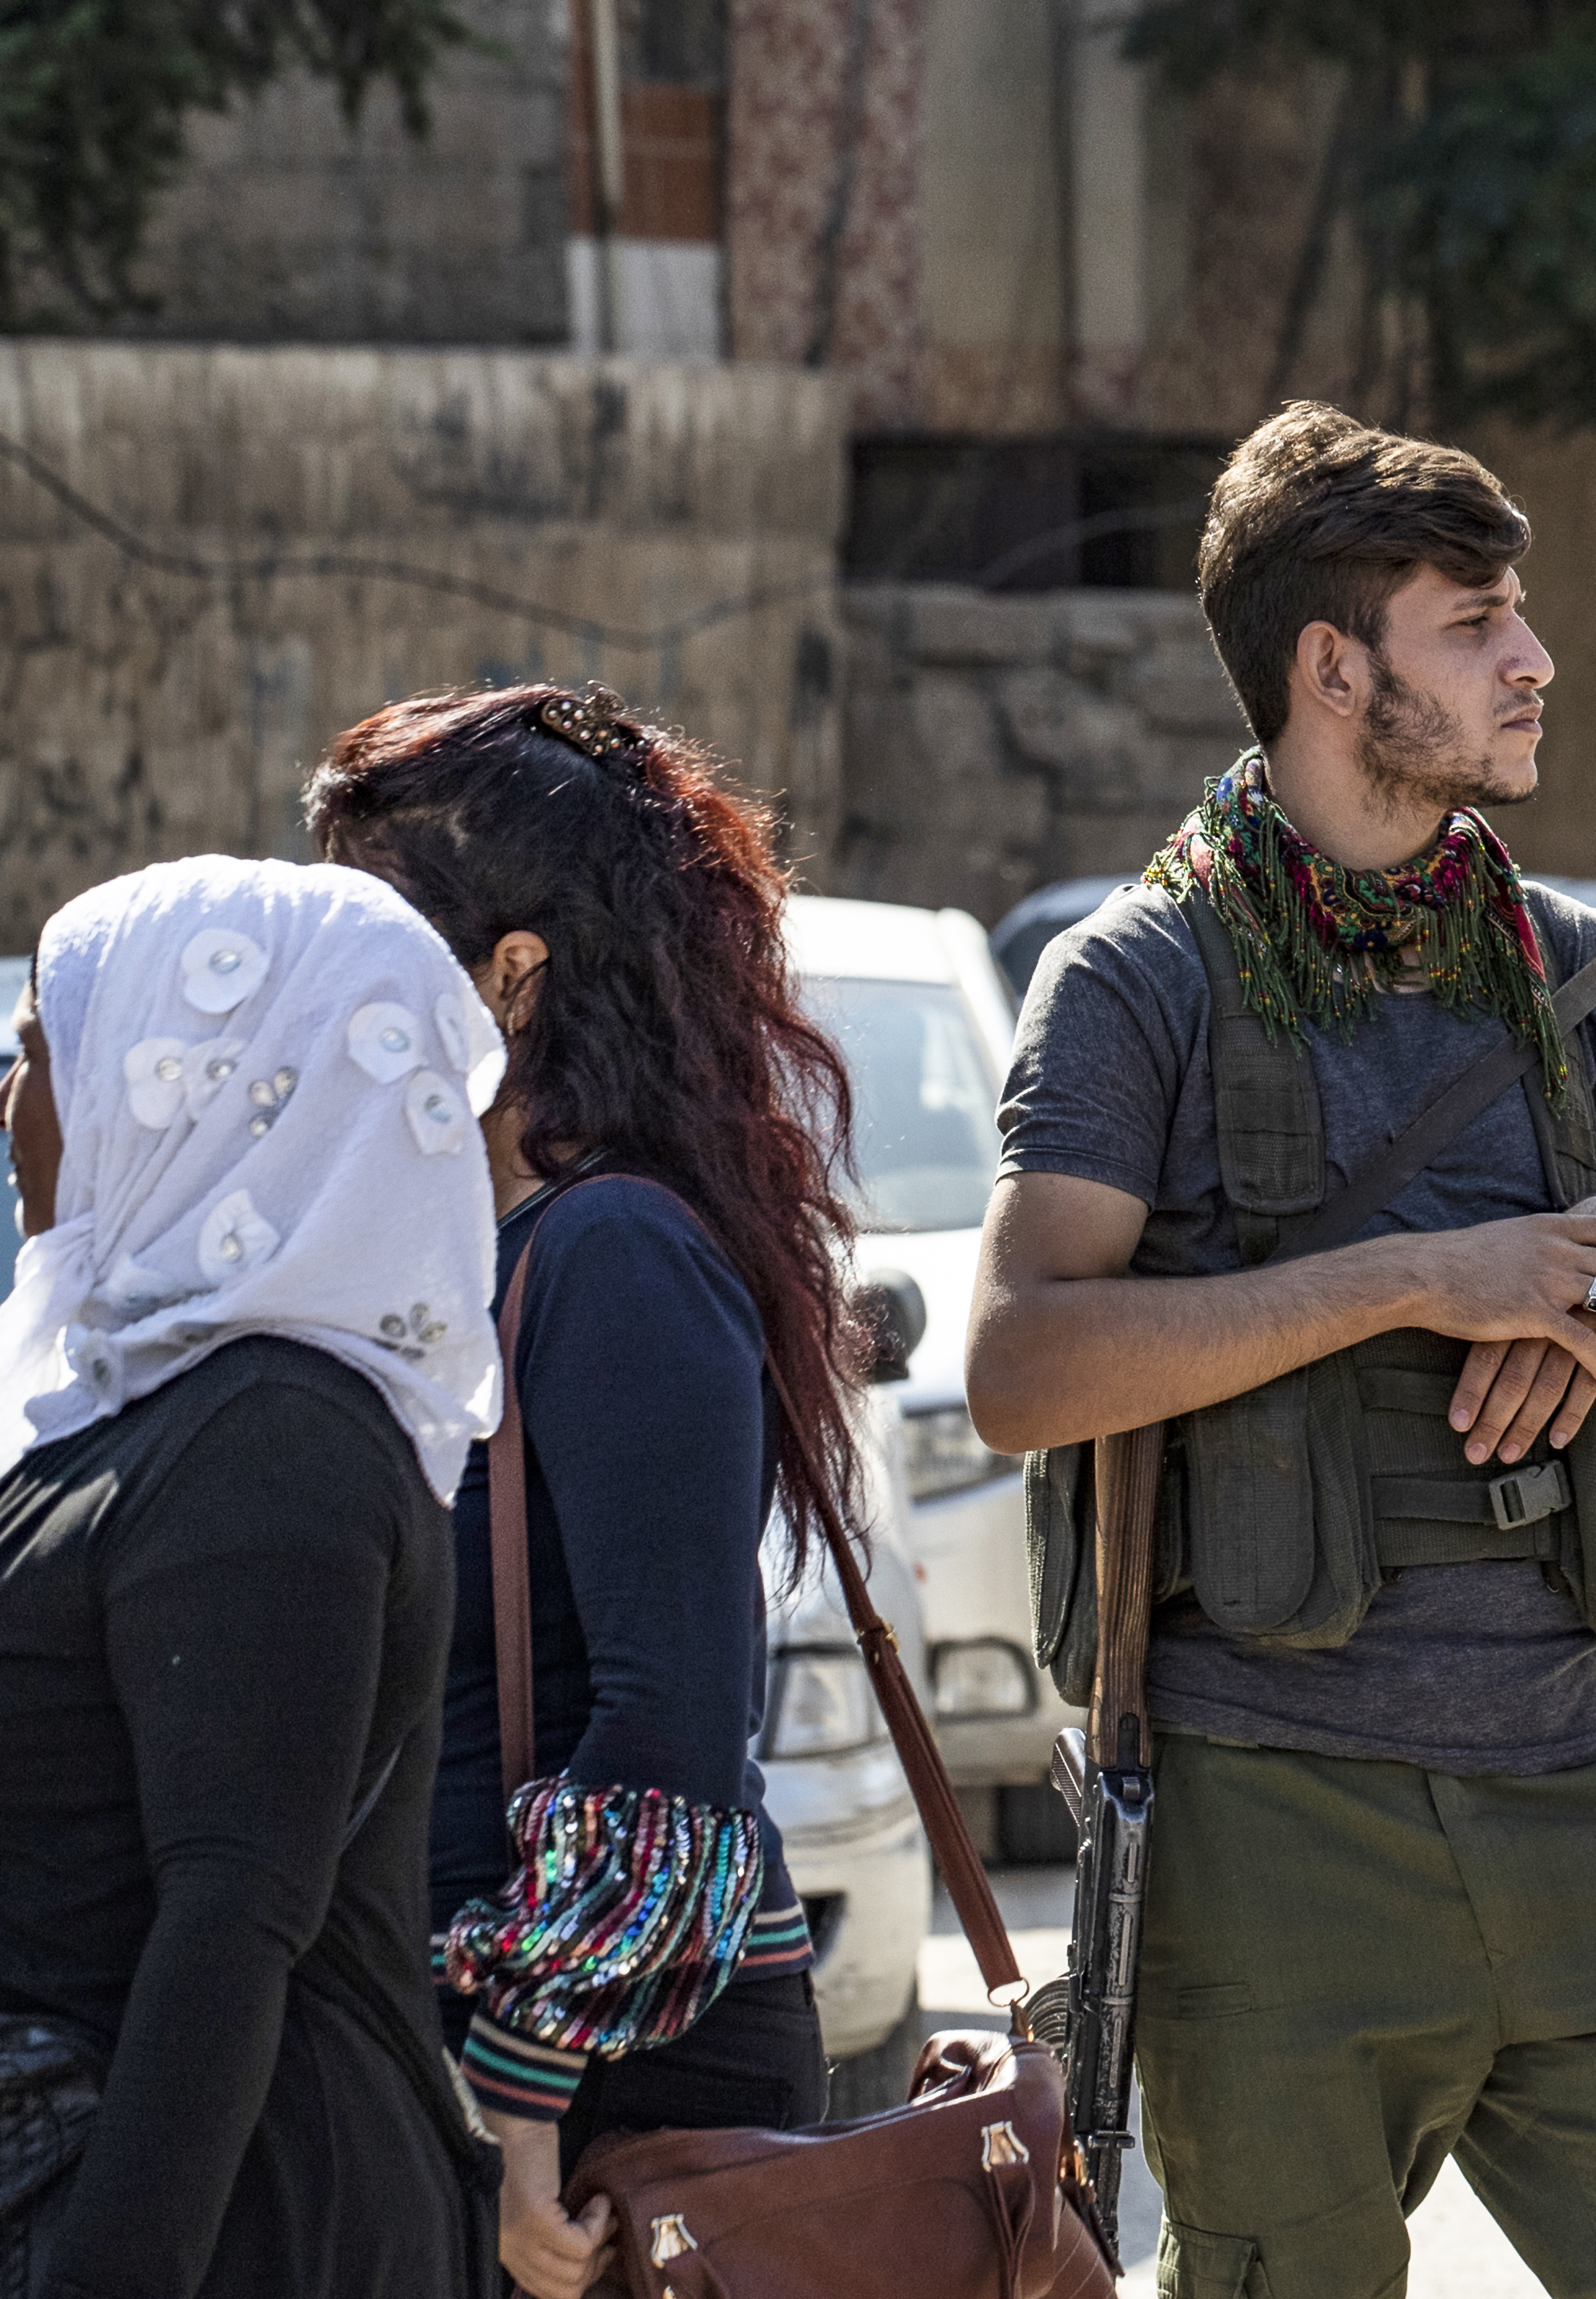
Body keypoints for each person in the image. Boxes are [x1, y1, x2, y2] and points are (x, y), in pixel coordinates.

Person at [965, 403, 1596, 2297]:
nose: (1536, 658)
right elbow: (1019, 1368)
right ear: (1335, 668)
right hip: (1276, 1835)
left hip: (1595, 1796)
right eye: (1478, 621)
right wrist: (1427, 1281)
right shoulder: (1139, 978)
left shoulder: (1569, 967)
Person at [304, 684, 870, 2299]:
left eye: (373, 934)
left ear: (514, 977)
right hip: (496, 2037)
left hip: (622, 2074)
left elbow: (671, 1735)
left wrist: (520, 2111)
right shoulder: (466, 1248)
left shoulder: (614, 1252)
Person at [0, 856, 500, 2299]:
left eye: (43, 1054)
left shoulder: (273, 1441)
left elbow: (233, 1919)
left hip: (241, 2226)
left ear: (193, 1081)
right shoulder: (150, 1399)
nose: (16, 1106)